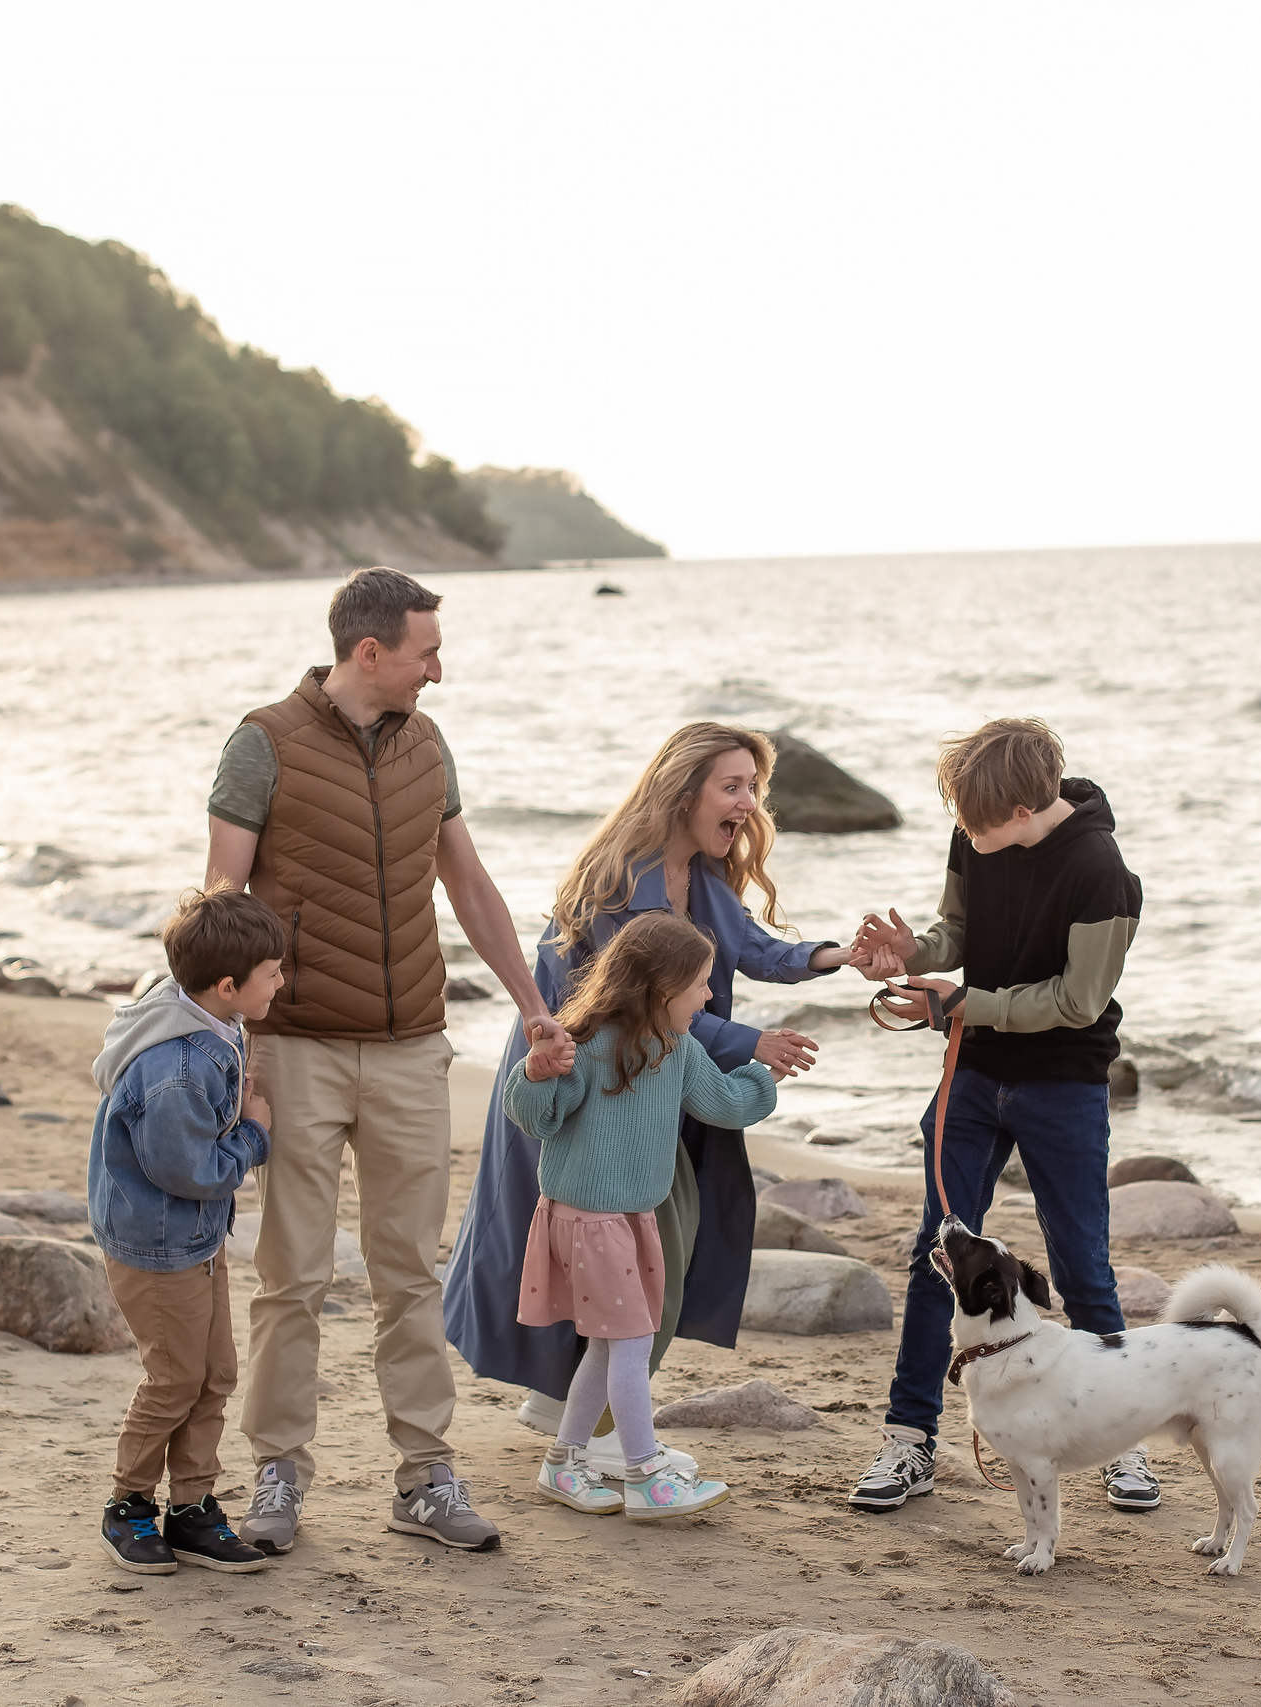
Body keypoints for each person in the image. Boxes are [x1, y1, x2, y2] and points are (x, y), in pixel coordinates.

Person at [205, 566, 566, 1557]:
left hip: (412, 1049)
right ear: (370, 652)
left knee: (411, 1274)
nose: (437, 673)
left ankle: (425, 1477)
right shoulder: (263, 744)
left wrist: (533, 1008)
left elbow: (469, 884)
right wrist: (230, 1048)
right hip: (297, 1047)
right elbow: (220, 907)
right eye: (425, 653)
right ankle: (278, 1472)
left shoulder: (427, 746)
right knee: (293, 1276)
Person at [442, 724, 859, 1464]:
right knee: (606, 1243)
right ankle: (588, 1423)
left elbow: (756, 950)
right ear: (683, 788)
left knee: (644, 1245)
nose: (748, 802)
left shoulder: (702, 875)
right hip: (580, 1077)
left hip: (650, 1078)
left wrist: (841, 956)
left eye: (754, 788)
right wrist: (750, 1045)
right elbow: (632, 1004)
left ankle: (572, 1413)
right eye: (732, 785)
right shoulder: (617, 881)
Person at [843, 717, 1152, 1514]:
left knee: (1082, 1266)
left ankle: (1123, 1443)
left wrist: (963, 1001)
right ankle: (910, 1442)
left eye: (976, 820)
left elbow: (1078, 1001)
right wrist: (913, 956)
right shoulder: (972, 831)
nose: (964, 831)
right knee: (932, 1254)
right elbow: (961, 933)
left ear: (1021, 809)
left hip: (1063, 1081)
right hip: (973, 1075)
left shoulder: (1100, 870)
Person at [503, 912, 778, 1519]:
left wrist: (763, 1075)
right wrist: (536, 1070)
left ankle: (564, 1465)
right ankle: (647, 1476)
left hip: (630, 1219)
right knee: (630, 1346)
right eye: (701, 984)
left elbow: (726, 1104)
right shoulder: (585, 1044)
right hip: (587, 1222)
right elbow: (535, 1115)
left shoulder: (677, 1049)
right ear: (661, 988)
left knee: (608, 1349)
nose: (708, 996)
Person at [88, 885, 285, 1576]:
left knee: (215, 1374)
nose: (282, 980)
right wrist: (255, 1133)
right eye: (272, 972)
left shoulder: (209, 1020)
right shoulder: (175, 1067)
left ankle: (193, 1507)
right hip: (160, 1243)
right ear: (229, 985)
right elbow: (190, 1169)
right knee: (174, 1378)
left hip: (194, 1239)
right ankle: (129, 1505)